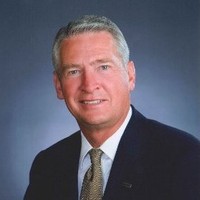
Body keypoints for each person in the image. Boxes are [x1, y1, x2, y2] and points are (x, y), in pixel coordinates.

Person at [24, 15, 200, 200]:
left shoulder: (184, 158)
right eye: (74, 71)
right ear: (58, 85)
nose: (89, 85)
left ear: (130, 76)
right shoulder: (47, 165)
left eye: (104, 67)